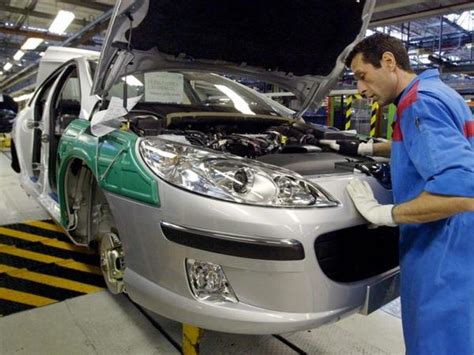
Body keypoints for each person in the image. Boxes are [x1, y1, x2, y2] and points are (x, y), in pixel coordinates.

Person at [326, 33, 474, 354]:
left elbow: (462, 192)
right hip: (460, 247)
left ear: (389, 62)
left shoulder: (418, 104)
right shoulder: (436, 92)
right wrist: (368, 147)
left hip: (442, 255)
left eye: (362, 76)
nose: (360, 90)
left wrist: (384, 213)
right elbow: (425, 147)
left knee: (435, 344)